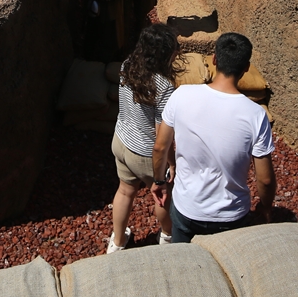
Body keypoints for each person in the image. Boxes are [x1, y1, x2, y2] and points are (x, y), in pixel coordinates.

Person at [152, 32, 275, 243]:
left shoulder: (181, 95)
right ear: (246, 68)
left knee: (184, 263)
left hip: (187, 208)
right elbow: (264, 179)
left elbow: (160, 148)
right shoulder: (256, 115)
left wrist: (159, 181)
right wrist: (265, 207)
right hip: (232, 215)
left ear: (214, 60)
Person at [108, 23, 182, 253]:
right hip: (144, 152)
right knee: (162, 196)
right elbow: (162, 139)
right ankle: (168, 237)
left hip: (120, 140)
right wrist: (170, 163)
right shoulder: (164, 86)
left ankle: (118, 242)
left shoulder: (128, 65)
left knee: (124, 191)